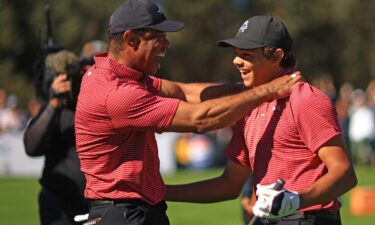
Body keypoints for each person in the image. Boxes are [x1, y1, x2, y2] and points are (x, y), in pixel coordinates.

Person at [74, 1, 301, 225]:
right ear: (131, 39)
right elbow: (201, 119)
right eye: (159, 37)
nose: (167, 44)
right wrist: (268, 90)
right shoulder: (117, 94)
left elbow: (185, 92)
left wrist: (247, 88)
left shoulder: (126, 77)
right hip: (123, 214)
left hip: (131, 210)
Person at [165, 15, 357, 225]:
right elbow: (229, 184)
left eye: (246, 55)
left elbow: (345, 173)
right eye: (236, 54)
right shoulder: (249, 104)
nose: (236, 61)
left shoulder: (304, 99)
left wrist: (296, 200)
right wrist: (160, 191)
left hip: (308, 218)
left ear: (277, 56)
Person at [23, 41, 106, 225]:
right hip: (58, 206)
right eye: (89, 66)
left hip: (100, 207)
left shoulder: (112, 105)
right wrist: (54, 102)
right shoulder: (60, 106)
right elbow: (31, 147)